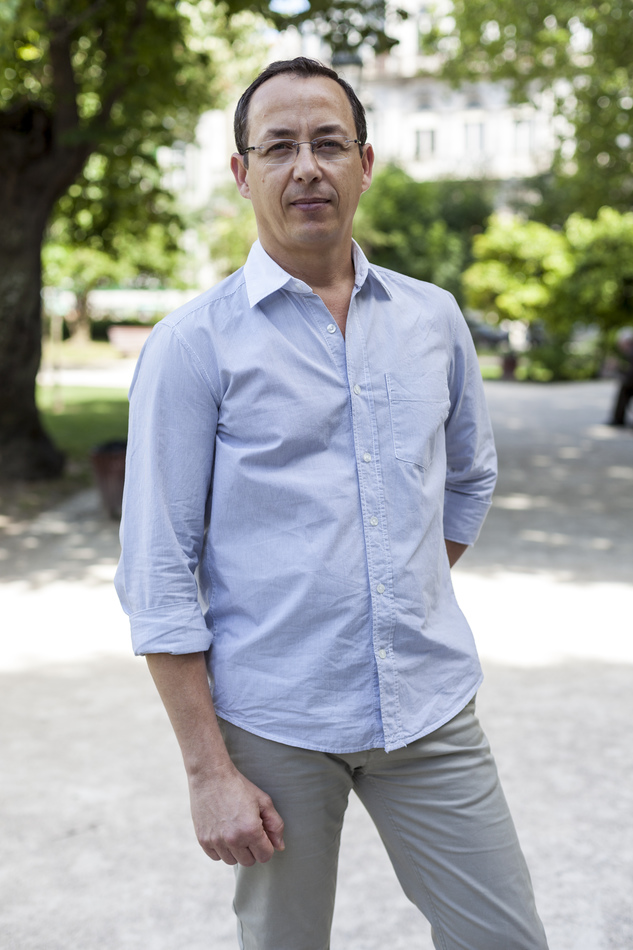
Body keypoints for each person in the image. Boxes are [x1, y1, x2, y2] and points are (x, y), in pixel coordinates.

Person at [115, 57, 549, 950]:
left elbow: (468, 477)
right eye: (278, 147)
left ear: (365, 162)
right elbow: (156, 569)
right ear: (242, 174)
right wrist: (208, 773)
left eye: (328, 143)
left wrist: (395, 584)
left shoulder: (432, 318)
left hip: (428, 706)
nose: (306, 167)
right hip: (274, 722)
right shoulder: (191, 346)